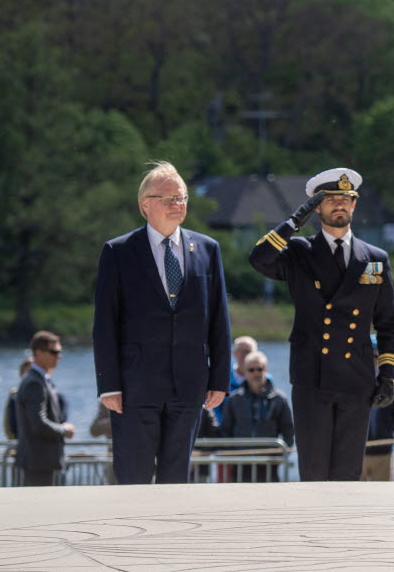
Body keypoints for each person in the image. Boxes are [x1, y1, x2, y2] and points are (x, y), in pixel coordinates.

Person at [249, 167, 394, 481]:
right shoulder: (299, 252)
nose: (340, 205)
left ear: (355, 205)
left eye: (346, 198)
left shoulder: (374, 258)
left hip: (356, 380)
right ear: (316, 207)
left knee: (348, 473)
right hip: (312, 379)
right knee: (315, 472)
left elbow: (388, 323)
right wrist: (293, 222)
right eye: (331, 199)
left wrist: (387, 375)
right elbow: (259, 259)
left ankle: (344, 532)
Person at [94, 160, 232, 484]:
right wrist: (108, 385)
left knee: (176, 479)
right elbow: (105, 324)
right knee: (134, 477)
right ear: (146, 205)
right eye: (168, 198)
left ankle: (170, 536)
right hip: (134, 387)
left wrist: (220, 379)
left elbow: (218, 319)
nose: (177, 204)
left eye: (182, 197)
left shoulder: (207, 250)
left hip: (188, 385)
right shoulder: (119, 251)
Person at [219, 350, 295, 481]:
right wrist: (230, 455)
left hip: (269, 464)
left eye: (260, 369)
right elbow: (226, 429)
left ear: (266, 370)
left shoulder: (279, 399)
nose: (256, 373)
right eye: (251, 369)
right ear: (245, 371)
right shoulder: (234, 399)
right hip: (240, 464)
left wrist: (281, 455)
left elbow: (288, 430)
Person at [15, 331, 75, 486]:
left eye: (60, 352)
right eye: (54, 352)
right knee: (38, 508)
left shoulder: (40, 380)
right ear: (39, 353)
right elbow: (38, 423)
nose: (59, 356)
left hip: (41, 462)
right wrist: (64, 430)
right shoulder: (35, 383)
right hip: (39, 462)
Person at [364, 348, 394, 481]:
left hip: (383, 450)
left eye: (378, 356)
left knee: (381, 496)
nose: (375, 360)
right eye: (371, 356)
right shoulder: (355, 380)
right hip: (357, 451)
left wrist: (391, 432)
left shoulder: (390, 382)